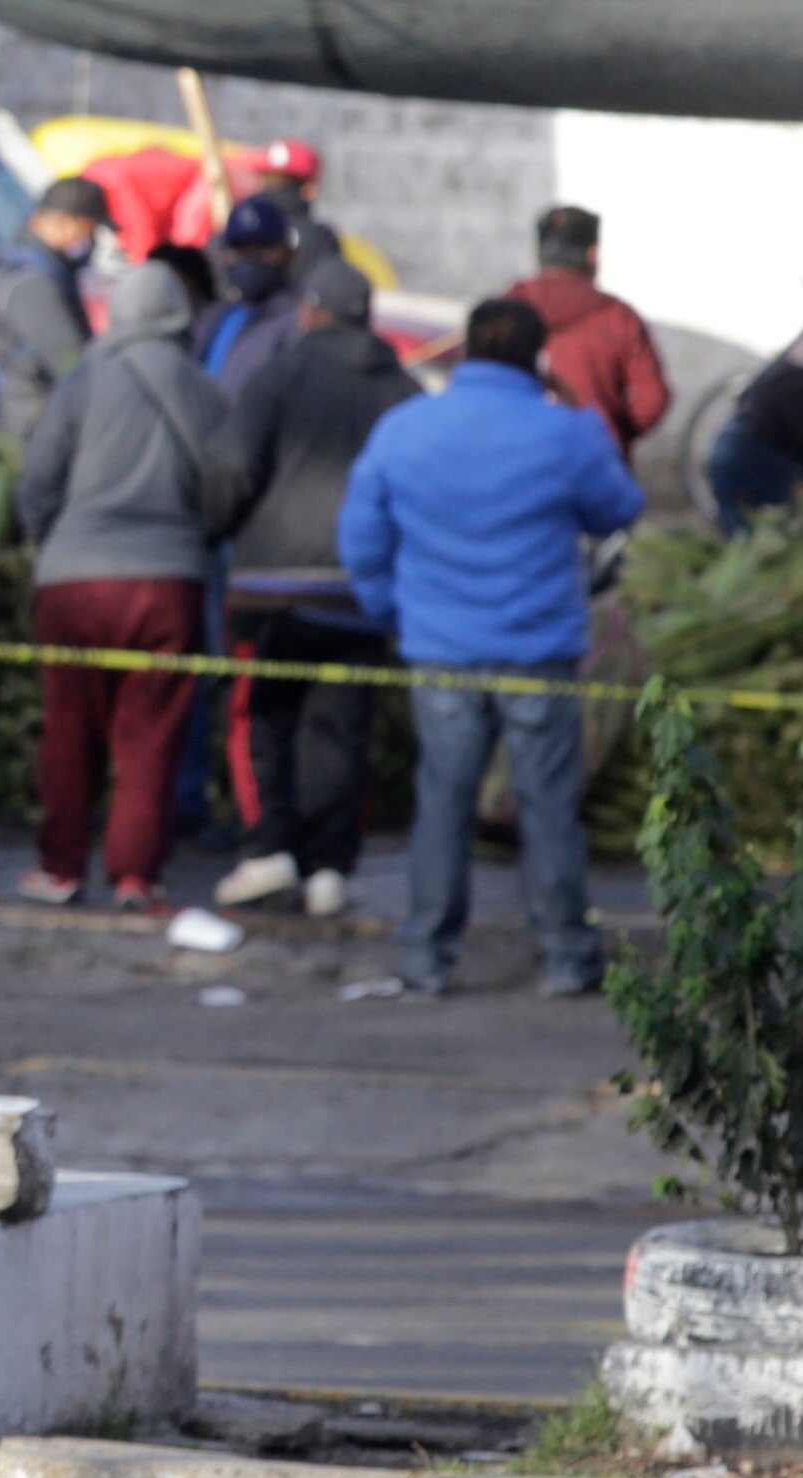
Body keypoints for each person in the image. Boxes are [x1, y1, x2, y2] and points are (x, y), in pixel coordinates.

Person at [342, 299, 645, 998]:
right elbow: (618, 508)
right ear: (538, 357)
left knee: (443, 800)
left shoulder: (406, 429)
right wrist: (579, 413)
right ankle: (568, 955)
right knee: (548, 806)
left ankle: (425, 955)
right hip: (538, 650)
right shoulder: (563, 434)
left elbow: (362, 535)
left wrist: (392, 610)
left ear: (465, 351)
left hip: (441, 650)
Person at [202, 256, 417, 918]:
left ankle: (268, 852)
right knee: (341, 730)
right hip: (361, 592)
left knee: (259, 719)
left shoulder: (280, 375)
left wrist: (218, 528)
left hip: (271, 586)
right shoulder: (402, 390)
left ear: (311, 311)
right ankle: (329, 868)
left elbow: (232, 465)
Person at [17, 260, 230, 913]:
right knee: (152, 734)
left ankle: (60, 868)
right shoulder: (204, 389)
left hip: (74, 581)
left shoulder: (84, 382)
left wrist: (50, 543)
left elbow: (38, 478)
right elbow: (223, 489)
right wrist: (195, 540)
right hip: (168, 581)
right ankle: (136, 874)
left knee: (69, 728)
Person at [506, 207, 672, 461]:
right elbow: (653, 398)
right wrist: (616, 431)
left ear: (538, 253)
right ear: (593, 254)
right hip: (597, 463)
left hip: (520, 463)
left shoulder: (506, 310)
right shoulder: (618, 316)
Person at [0, 177, 110, 447]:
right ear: (63, 222)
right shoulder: (35, 285)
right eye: (89, 230)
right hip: (23, 438)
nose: (93, 241)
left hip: (19, 428)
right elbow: (75, 365)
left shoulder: (23, 266)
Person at [197, 199, 305, 398]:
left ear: (289, 254)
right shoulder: (213, 316)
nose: (250, 259)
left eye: (263, 248)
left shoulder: (300, 322)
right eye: (240, 249)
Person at [709, 338, 803, 536]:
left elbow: (748, 392)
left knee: (750, 550)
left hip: (735, 441)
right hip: (763, 457)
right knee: (766, 553)